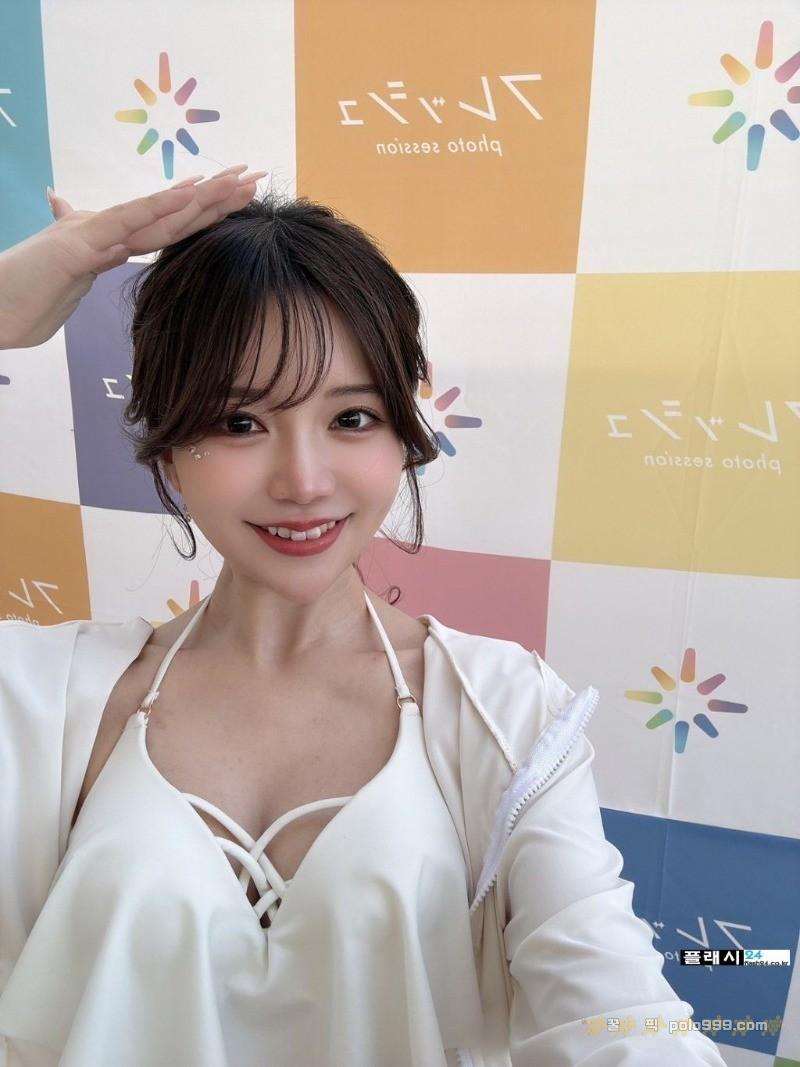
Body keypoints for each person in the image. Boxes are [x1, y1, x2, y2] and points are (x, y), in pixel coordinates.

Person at [0, 174, 730, 1066]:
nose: (304, 480)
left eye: (351, 416)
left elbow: (618, 1012)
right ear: (168, 441)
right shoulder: (39, 698)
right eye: (240, 421)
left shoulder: (505, 711)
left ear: (402, 427)